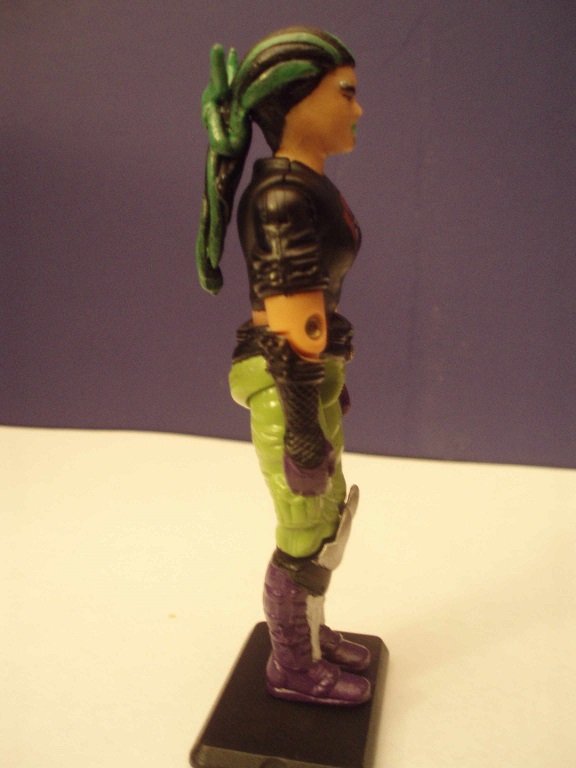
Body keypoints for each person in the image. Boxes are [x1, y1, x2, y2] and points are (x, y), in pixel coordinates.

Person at [197, 27, 370, 706]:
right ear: (297, 103)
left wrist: (333, 371)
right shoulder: (281, 199)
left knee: (324, 521)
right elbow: (290, 321)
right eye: (345, 93)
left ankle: (314, 636)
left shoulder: (303, 185)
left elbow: (315, 309)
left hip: (309, 374)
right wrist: (302, 429)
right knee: (302, 533)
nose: (358, 109)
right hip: (284, 381)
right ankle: (292, 665)